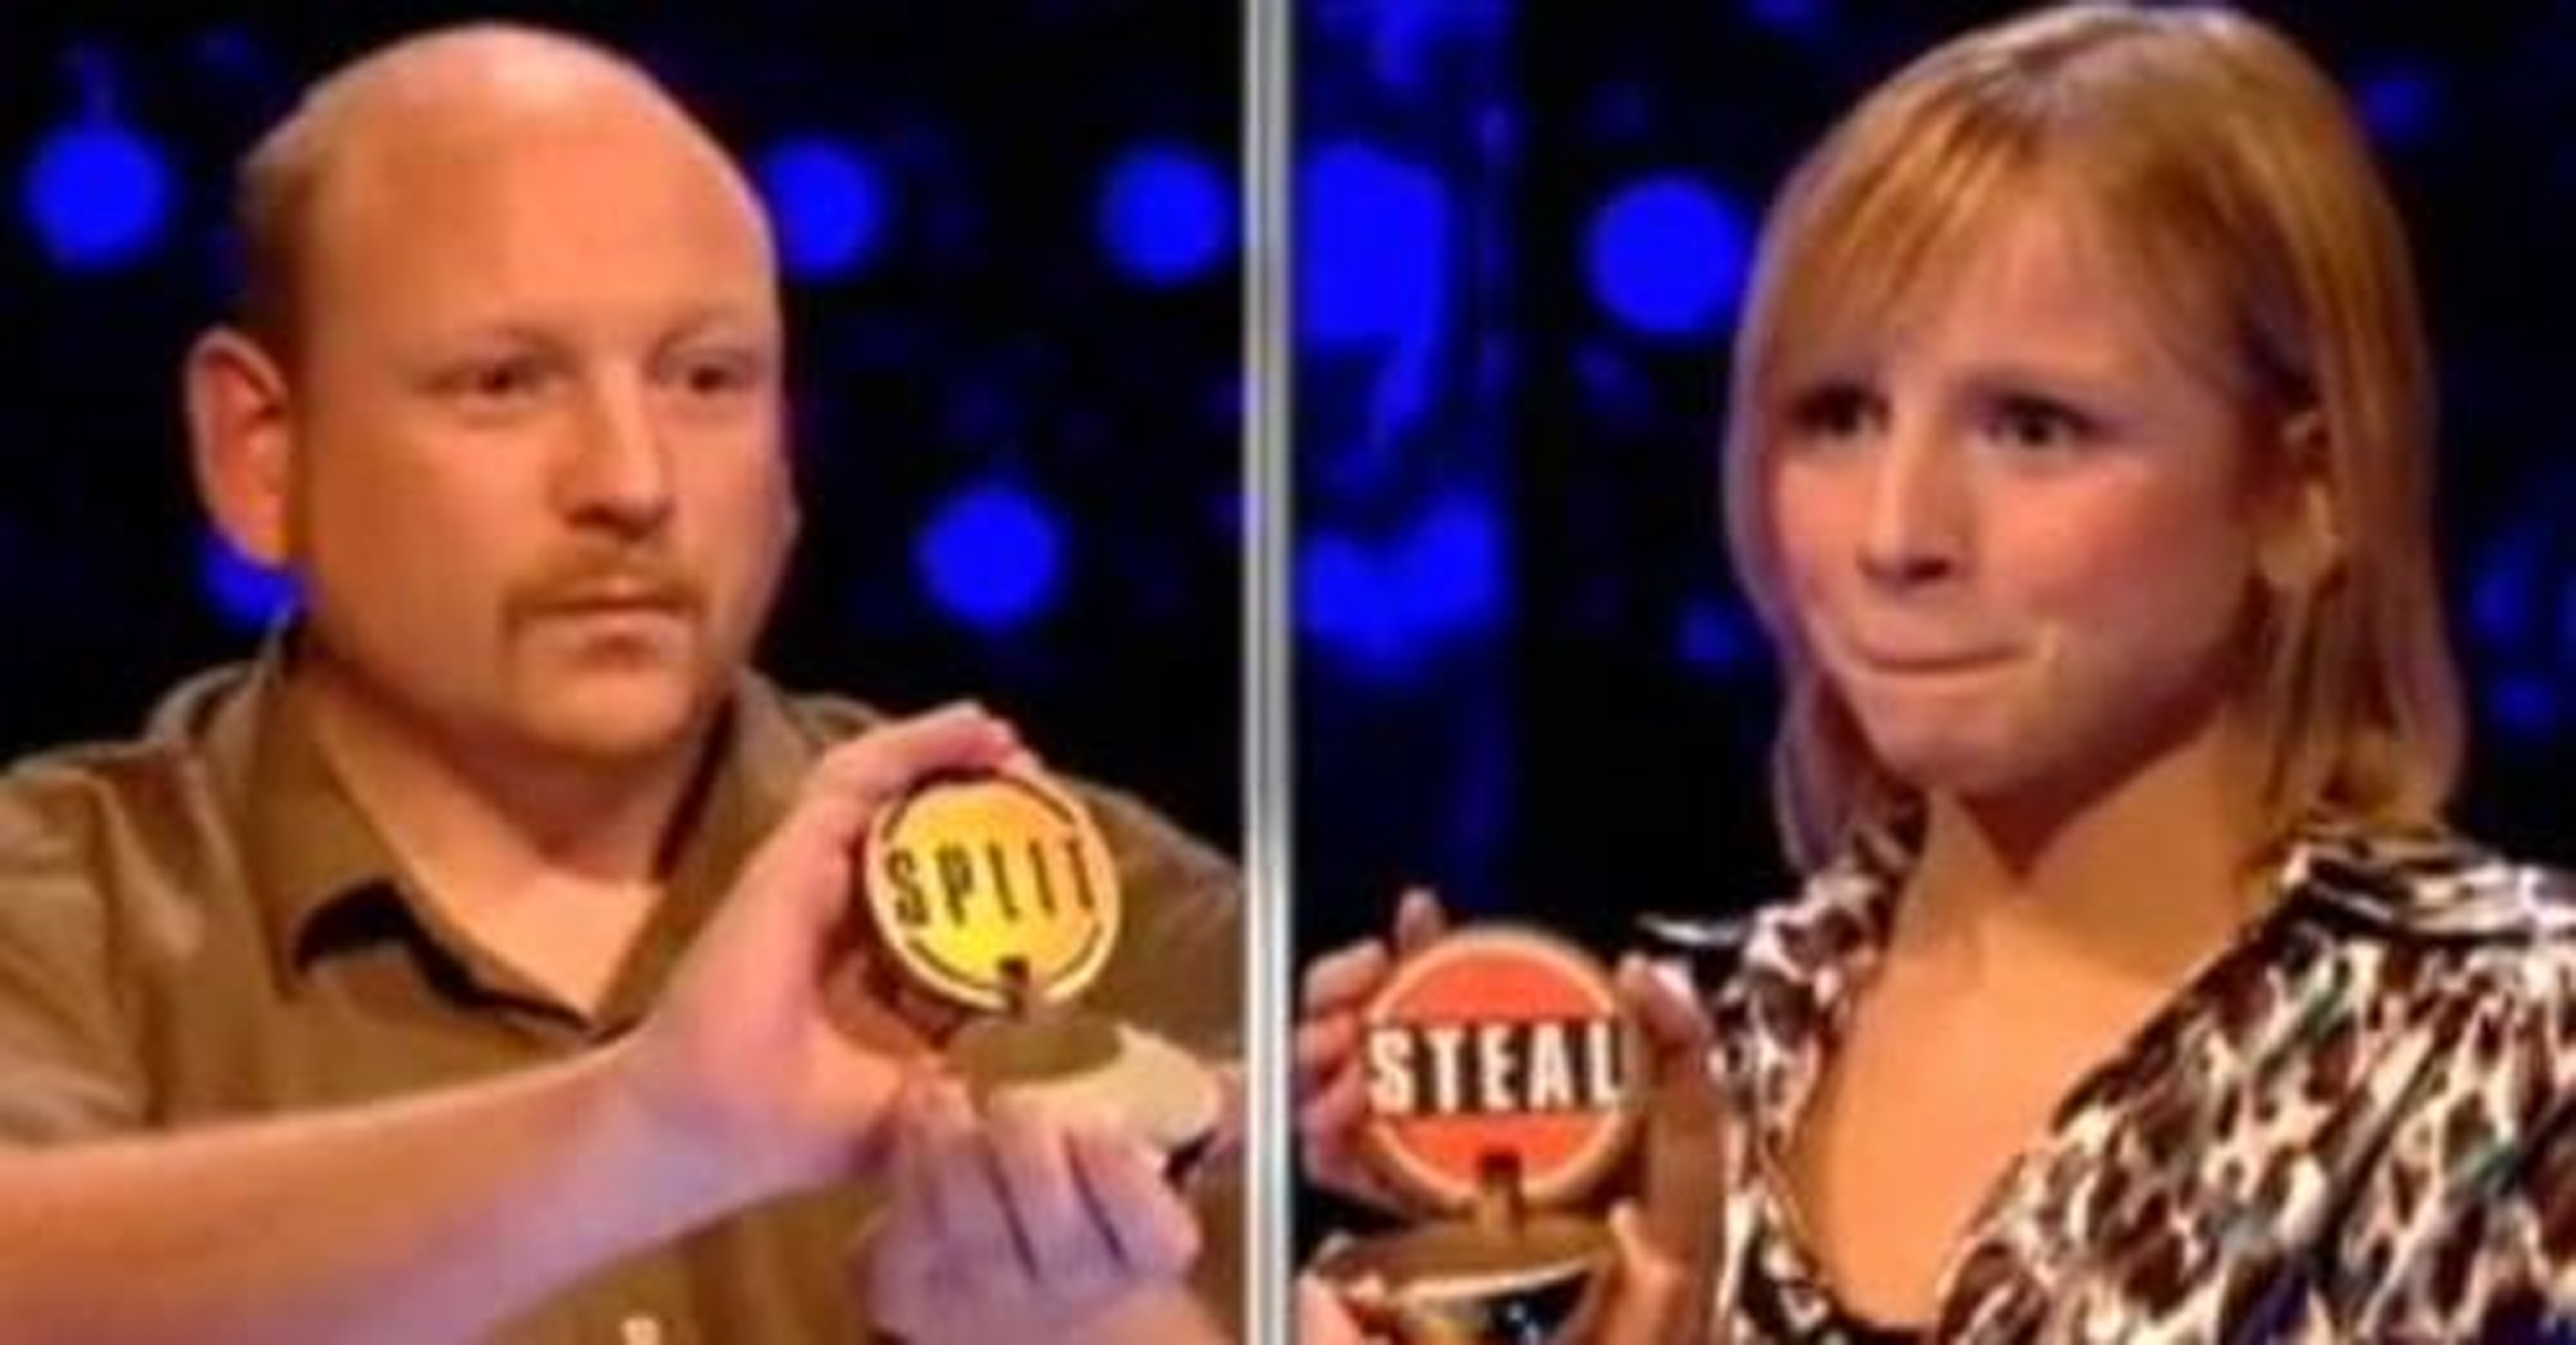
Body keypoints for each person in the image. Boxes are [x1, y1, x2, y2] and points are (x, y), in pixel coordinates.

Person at [1297, 3, 2576, 1339]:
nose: (1896, 532)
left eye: (2033, 427)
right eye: (1839, 415)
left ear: (2305, 491)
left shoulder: (2511, 1056)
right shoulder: (1679, 1066)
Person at [0, 24, 1241, 1344]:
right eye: (503, 383)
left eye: (707, 379)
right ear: (260, 450)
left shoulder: (1127, 922)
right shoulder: (57, 912)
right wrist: (650, 1132)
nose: (632, 482)